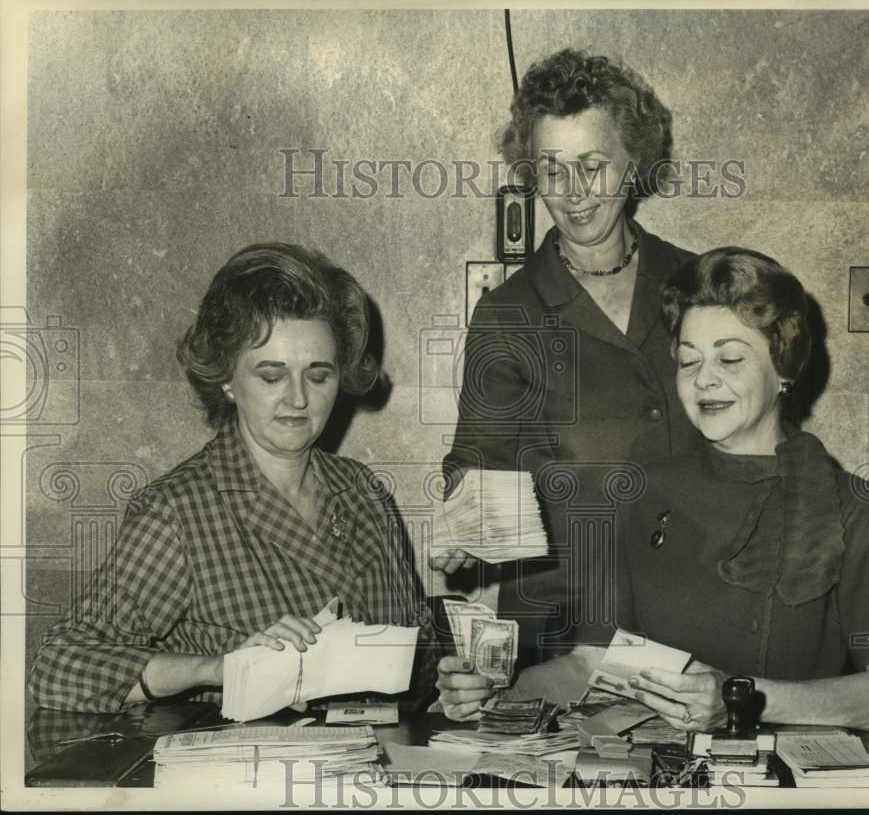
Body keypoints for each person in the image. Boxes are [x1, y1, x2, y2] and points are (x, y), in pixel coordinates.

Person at [29, 243, 437, 713]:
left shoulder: (365, 492)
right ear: (227, 378)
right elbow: (58, 667)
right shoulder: (178, 511)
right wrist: (217, 668)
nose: (298, 399)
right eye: (271, 376)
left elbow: (415, 662)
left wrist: (448, 680)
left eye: (319, 376)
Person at [434, 49, 701, 710]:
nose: (575, 195)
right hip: (564, 637)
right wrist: (463, 535)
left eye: (592, 166)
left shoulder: (699, 284)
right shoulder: (509, 314)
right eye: (553, 170)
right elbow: (480, 467)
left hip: (698, 623)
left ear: (633, 162)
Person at [614, 247, 869, 732]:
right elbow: (595, 659)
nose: (705, 380)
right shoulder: (643, 492)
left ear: (784, 368)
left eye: (730, 358)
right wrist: (497, 689)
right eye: (688, 362)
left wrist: (742, 697)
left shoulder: (853, 507)